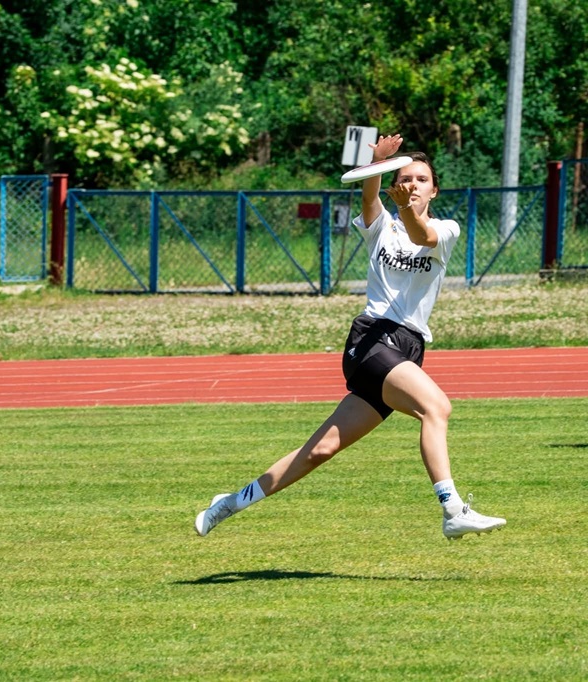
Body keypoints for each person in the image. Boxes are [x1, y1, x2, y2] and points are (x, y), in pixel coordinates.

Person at [195, 134, 506, 541]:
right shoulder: (383, 228)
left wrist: (406, 209)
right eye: (405, 177)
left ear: (434, 189)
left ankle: (230, 502)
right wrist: (376, 164)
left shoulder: (446, 229)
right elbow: (370, 201)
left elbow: (421, 235)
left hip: (409, 348)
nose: (412, 184)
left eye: (421, 179)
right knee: (437, 407)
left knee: (319, 452)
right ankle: (452, 510)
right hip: (374, 340)